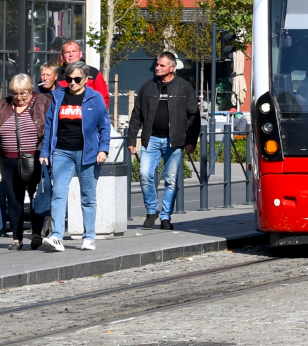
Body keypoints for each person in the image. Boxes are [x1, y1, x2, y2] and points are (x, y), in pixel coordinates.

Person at [39, 63, 111, 252]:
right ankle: (56, 236)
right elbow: (49, 127)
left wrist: (103, 149)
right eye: (69, 79)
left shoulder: (94, 98)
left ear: (86, 79)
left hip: (87, 153)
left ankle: (89, 238)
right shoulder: (57, 96)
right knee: (58, 195)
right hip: (61, 152)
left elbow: (104, 126)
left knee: (88, 197)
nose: (72, 83)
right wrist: (45, 152)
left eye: (77, 79)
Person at [126, 52, 200, 230]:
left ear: (172, 68)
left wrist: (191, 140)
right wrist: (131, 138)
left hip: (174, 141)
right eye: (157, 65)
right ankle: (152, 211)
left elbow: (194, 116)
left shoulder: (184, 87)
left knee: (171, 180)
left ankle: (166, 217)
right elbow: (136, 114)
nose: (157, 68)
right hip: (150, 139)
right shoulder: (148, 87)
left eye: (162, 66)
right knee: (144, 175)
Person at [0, 74, 49, 251]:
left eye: (24, 93)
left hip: (35, 157)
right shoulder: (3, 105)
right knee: (13, 199)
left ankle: (36, 234)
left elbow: (50, 128)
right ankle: (17, 238)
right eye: (16, 94)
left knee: (36, 197)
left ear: (30, 90)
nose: (20, 98)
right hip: (8, 160)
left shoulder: (42, 101)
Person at [56, 40, 110, 107]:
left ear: (81, 54)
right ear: (62, 56)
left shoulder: (93, 73)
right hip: (63, 114)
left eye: (74, 51)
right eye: (67, 52)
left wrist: (98, 115)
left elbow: (103, 98)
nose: (71, 55)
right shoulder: (56, 75)